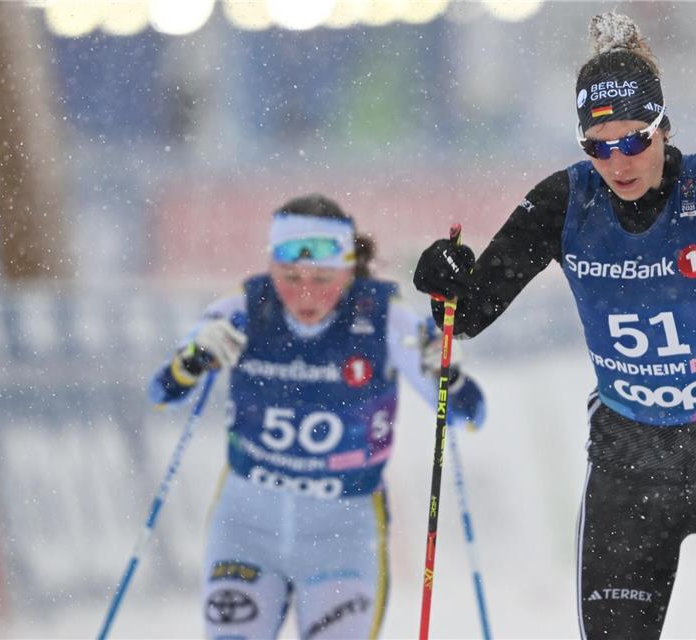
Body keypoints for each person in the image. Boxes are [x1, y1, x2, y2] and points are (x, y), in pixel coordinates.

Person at [412, 12, 696, 640]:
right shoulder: (564, 202)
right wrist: (444, 282)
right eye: (598, 146)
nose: (618, 161)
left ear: (663, 128)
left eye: (633, 141)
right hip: (630, 466)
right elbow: (464, 317)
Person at [148, 194, 486, 639]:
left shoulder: (385, 317)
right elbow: (162, 393)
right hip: (247, 528)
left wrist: (450, 376)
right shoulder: (245, 307)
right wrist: (193, 359)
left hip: (343, 535)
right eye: (290, 277)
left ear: (349, 269)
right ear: (272, 267)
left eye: (323, 278)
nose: (305, 292)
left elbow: (469, 415)